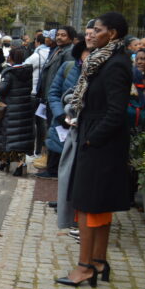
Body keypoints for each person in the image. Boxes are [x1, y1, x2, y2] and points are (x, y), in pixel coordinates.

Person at [55, 12, 132, 288]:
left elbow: (115, 111)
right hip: (98, 139)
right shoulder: (105, 60)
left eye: (97, 29)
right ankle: (98, 261)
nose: (91, 33)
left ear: (111, 34)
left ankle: (85, 266)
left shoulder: (117, 64)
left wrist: (92, 139)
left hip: (101, 144)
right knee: (97, 205)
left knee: (87, 205)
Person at [53, 32, 92, 239]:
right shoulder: (69, 67)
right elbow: (53, 92)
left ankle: (81, 221)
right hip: (65, 126)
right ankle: (73, 217)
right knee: (66, 173)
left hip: (86, 132)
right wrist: (61, 115)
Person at [35, 26, 77, 179]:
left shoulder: (69, 53)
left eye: (63, 35)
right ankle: (51, 165)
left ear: (71, 38)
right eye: (58, 35)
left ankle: (54, 168)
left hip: (59, 100)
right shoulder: (57, 50)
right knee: (52, 131)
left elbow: (68, 79)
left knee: (58, 133)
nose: (59, 37)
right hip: (50, 98)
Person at [0, 47, 34, 176]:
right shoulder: (27, 71)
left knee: (6, 136)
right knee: (20, 138)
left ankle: (4, 161)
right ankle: (21, 164)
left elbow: (3, 90)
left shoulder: (9, 73)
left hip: (9, 109)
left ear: (11, 57)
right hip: (23, 109)